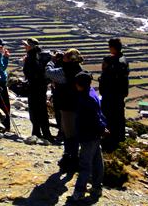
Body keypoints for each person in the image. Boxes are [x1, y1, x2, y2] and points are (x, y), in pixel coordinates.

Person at [67, 71, 106, 203]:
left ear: (80, 84)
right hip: (94, 134)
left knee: (85, 165)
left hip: (88, 135)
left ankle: (79, 192)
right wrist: (102, 128)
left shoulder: (86, 99)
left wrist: (100, 128)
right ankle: (97, 188)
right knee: (97, 161)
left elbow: (93, 118)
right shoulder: (91, 92)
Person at [49, 48, 85, 172]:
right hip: (76, 105)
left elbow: (48, 73)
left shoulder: (65, 71)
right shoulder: (78, 69)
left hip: (68, 106)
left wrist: (51, 61)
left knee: (69, 134)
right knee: (72, 133)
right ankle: (70, 156)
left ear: (69, 59)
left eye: (64, 56)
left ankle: (71, 159)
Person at [99, 37, 129, 151]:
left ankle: (108, 141)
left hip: (109, 94)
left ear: (112, 48)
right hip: (119, 94)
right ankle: (118, 138)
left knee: (108, 117)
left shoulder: (110, 61)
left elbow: (105, 77)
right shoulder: (124, 60)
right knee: (119, 116)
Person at [22, 38, 52, 140]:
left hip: (34, 87)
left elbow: (29, 72)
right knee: (42, 109)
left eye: (26, 45)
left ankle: (37, 132)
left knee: (34, 110)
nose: (24, 47)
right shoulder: (41, 55)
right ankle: (45, 133)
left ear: (30, 46)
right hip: (41, 87)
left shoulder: (31, 57)